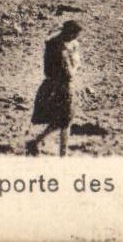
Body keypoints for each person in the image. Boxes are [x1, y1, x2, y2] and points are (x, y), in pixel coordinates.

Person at [27, 20, 83, 157]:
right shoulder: (60, 48)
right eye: (74, 35)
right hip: (62, 85)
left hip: (55, 85)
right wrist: (75, 66)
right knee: (66, 119)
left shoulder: (57, 43)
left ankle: (36, 142)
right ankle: (62, 154)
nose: (75, 38)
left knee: (62, 119)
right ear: (69, 33)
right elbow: (69, 72)